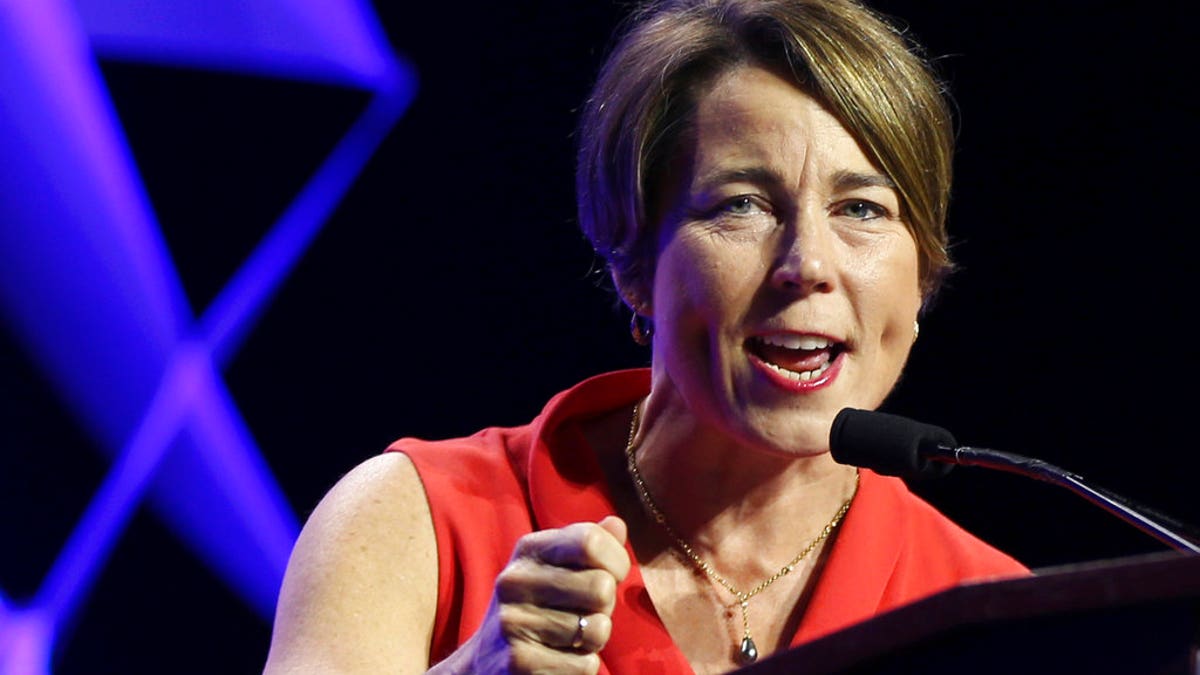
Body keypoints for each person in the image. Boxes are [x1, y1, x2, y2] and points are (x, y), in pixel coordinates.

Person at [263, 0, 1029, 673]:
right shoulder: (416, 523)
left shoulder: (994, 613)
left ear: (923, 276)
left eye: (862, 209)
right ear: (632, 264)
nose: (808, 265)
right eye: (741, 204)